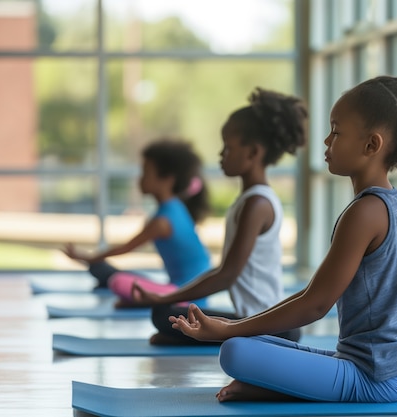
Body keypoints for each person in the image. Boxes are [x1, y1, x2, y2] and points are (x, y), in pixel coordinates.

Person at [169, 65, 397, 403]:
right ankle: (272, 383)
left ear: (372, 144)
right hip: (390, 367)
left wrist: (228, 329)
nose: (327, 141)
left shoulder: (365, 212)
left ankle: (271, 386)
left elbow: (315, 305)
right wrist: (231, 328)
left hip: (376, 377)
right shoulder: (385, 203)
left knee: (234, 352)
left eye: (336, 132)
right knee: (245, 344)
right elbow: (311, 295)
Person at [131, 88, 308, 346]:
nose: (221, 155)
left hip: (268, 327)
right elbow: (226, 269)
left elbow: (227, 275)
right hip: (256, 322)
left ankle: (192, 336)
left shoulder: (257, 204)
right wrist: (169, 298)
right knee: (165, 315)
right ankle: (192, 335)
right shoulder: (250, 200)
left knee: (163, 314)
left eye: (228, 148)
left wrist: (165, 298)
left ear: (253, 153)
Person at [62, 138, 212, 306]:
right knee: (102, 269)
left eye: (146, 173)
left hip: (183, 297)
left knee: (116, 281)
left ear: (167, 180)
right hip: (184, 292)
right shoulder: (174, 207)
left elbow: (125, 248)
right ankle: (141, 298)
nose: (140, 179)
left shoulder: (162, 221)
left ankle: (144, 300)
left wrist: (86, 257)